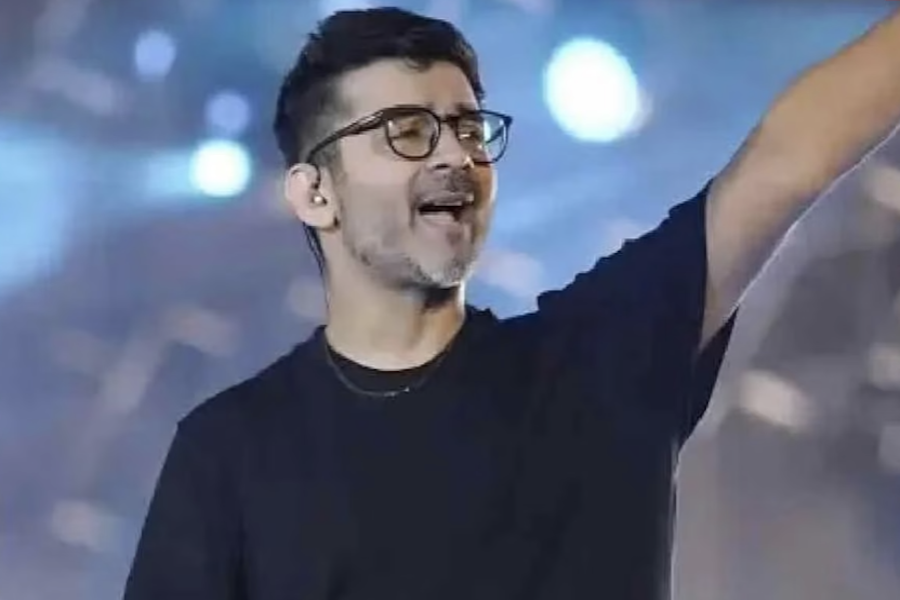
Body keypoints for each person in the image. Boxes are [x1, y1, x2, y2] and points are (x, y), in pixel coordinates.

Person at [123, 6, 900, 599]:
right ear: (315, 193)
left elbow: (786, 162)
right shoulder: (230, 453)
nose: (455, 156)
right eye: (407, 132)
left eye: (469, 129)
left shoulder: (597, 361)